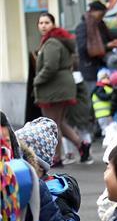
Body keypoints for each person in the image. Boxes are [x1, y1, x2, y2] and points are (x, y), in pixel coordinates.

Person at [32, 12, 92, 165]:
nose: (43, 26)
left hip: (54, 87)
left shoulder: (52, 42)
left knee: (52, 124)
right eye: (41, 23)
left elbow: (50, 66)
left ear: (53, 24)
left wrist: (37, 80)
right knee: (59, 123)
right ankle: (82, 145)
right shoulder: (55, 40)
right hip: (60, 86)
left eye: (47, 22)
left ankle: (56, 158)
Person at [75, 1, 117, 102]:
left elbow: (107, 40)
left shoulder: (100, 25)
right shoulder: (82, 27)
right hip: (90, 68)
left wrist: (113, 43)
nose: (102, 17)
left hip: (102, 67)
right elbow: (83, 49)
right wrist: (106, 46)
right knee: (93, 97)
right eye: (101, 14)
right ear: (93, 12)